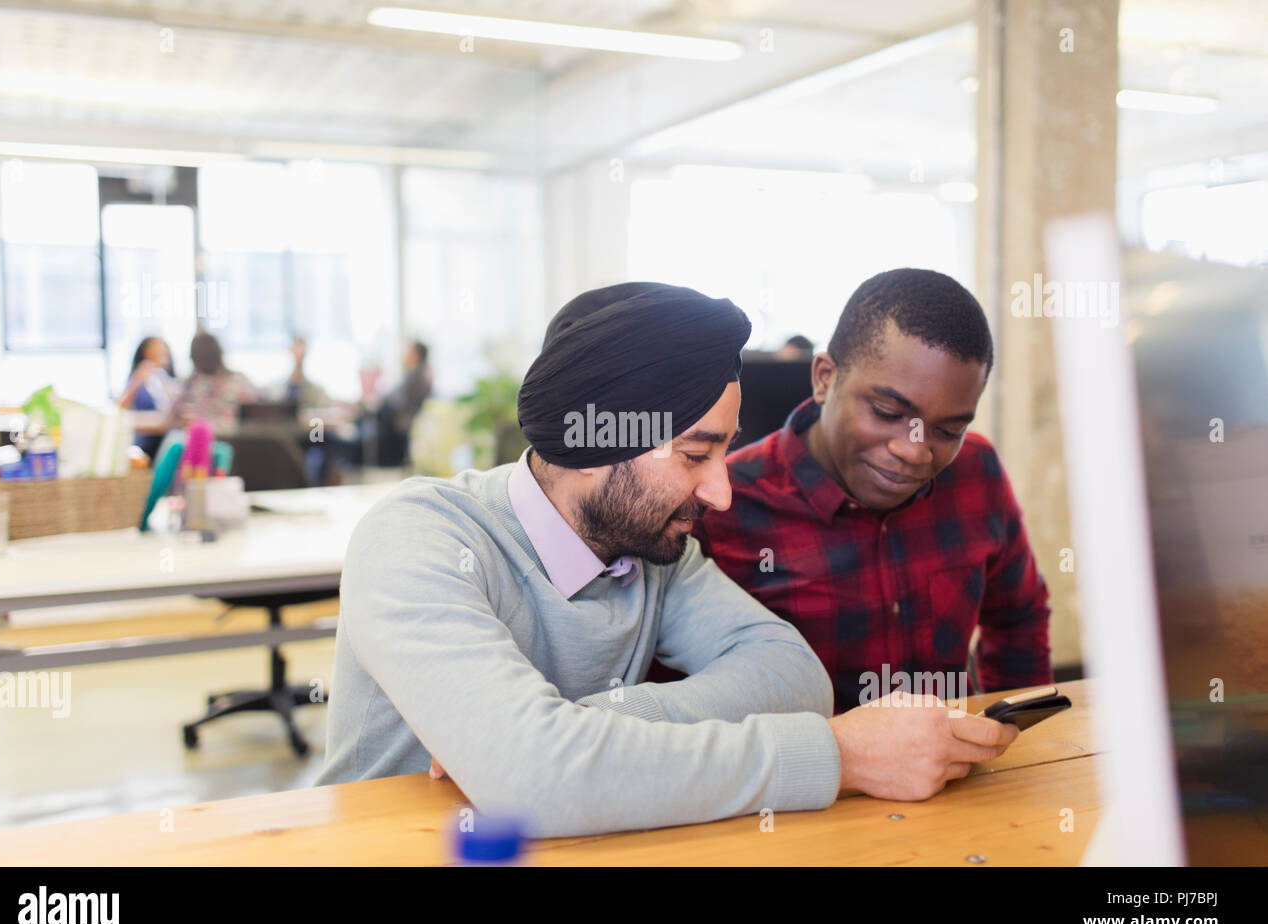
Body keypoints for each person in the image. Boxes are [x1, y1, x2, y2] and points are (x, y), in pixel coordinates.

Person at [316, 281, 1019, 838]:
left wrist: (580, 725)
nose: (719, 491)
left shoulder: (655, 551)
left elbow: (792, 677)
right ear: (594, 442)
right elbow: (537, 784)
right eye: (694, 454)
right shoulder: (418, 540)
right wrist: (838, 757)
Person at [695, 268, 1052, 713]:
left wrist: (1017, 733)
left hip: (963, 774)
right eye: (886, 412)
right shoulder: (721, 504)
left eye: (946, 429)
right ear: (825, 378)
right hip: (807, 779)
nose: (914, 452)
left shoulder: (976, 470)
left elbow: (1018, 614)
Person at [167, 331, 258, 434]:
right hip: (233, 439)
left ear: (193, 357)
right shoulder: (238, 380)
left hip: (204, 438)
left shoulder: (192, 383)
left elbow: (171, 415)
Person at [118, 336, 179, 458]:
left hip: (166, 437)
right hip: (144, 441)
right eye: (154, 352)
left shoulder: (172, 383)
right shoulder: (138, 379)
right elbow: (120, 409)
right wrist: (136, 382)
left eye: (162, 353)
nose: (159, 357)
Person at [377, 341, 432, 466]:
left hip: (395, 425)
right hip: (393, 422)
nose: (404, 355)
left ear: (416, 355)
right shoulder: (415, 375)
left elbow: (398, 402)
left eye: (408, 352)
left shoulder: (416, 377)